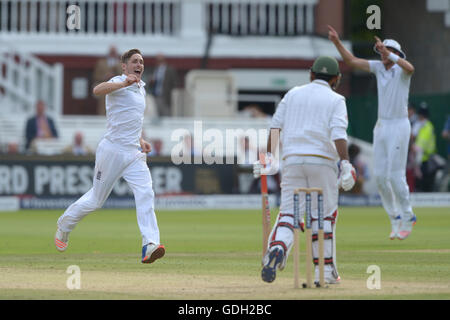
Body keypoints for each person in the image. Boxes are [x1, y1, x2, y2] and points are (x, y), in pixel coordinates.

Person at [55, 48, 165, 264]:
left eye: (141, 62)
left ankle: (150, 244)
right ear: (124, 66)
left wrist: (141, 140)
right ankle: (64, 224)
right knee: (96, 200)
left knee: (145, 193)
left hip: (134, 152)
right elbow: (97, 90)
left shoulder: (141, 88)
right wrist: (123, 83)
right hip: (112, 150)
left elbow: (132, 119)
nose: (139, 65)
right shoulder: (118, 81)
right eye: (134, 61)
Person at [253, 56, 356, 285]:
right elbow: (338, 134)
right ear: (336, 78)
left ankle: (277, 247)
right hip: (322, 161)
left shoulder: (293, 94)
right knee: (324, 218)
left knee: (289, 214)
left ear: (311, 74)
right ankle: (325, 273)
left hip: (292, 161)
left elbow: (275, 128)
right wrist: (346, 163)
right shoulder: (336, 99)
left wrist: (268, 156)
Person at [328, 25, 417, 240]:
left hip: (399, 124)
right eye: (382, 51)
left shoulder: (401, 70)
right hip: (382, 125)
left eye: (389, 51)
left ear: (396, 54)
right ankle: (394, 217)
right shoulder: (378, 67)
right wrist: (337, 42)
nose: (384, 55)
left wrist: (390, 56)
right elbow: (351, 62)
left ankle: (408, 215)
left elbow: (411, 68)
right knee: (379, 177)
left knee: (396, 177)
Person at [92, 46, 123, 115]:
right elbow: (96, 75)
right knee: (103, 105)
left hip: (117, 88)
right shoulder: (101, 63)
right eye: (112, 52)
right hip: (104, 87)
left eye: (114, 52)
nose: (113, 54)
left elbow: (123, 75)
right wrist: (104, 77)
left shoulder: (121, 64)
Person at [414, 104, 437, 191]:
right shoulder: (421, 126)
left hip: (426, 160)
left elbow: (422, 143)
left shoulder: (427, 126)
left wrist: (414, 147)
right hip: (421, 159)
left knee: (426, 185)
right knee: (420, 184)